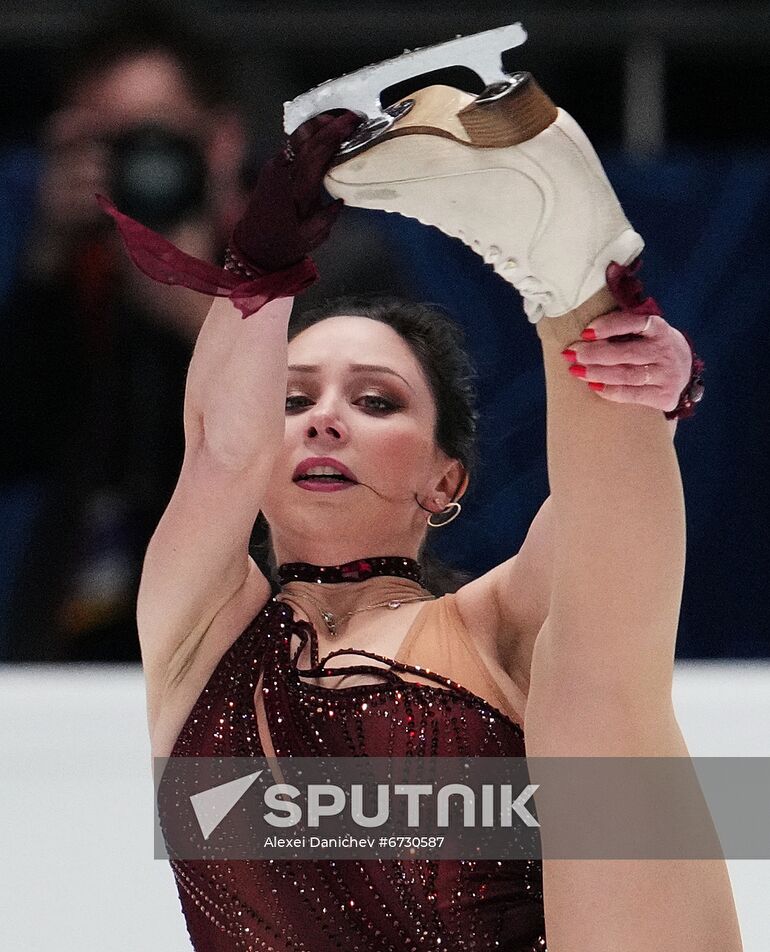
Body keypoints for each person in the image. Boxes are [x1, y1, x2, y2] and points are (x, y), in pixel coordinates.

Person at [106, 83, 738, 946]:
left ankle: (575, 280)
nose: (326, 418)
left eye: (375, 401)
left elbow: (613, 528)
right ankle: (579, 281)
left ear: (445, 482)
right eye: (293, 400)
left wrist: (653, 386)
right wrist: (262, 254)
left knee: (597, 696)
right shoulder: (197, 635)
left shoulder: (498, 626)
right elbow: (219, 447)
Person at [0, 2, 250, 661]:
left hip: (262, 633)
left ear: (222, 142)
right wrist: (51, 254)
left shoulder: (320, 256)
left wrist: (191, 300)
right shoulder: (72, 273)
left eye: (154, 137)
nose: (135, 166)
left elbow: (322, 430)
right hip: (85, 638)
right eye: (105, 144)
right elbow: (18, 442)